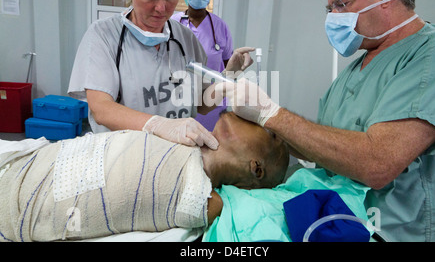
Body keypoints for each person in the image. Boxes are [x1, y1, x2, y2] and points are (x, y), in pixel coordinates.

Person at [216, 0, 435, 242]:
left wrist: (271, 114)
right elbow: (324, 147)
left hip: (397, 233)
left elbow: (377, 164)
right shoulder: (356, 69)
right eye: (331, 9)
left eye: (342, 4)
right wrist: (258, 118)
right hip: (339, 222)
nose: (334, 18)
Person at [68, 0, 253, 150]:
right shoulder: (104, 35)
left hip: (177, 157)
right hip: (122, 158)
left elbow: (201, 104)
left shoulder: (185, 39)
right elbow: (101, 109)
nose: (161, 8)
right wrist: (158, 125)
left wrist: (228, 78)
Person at [0, 112, 288, 242]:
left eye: (270, 133)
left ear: (256, 168)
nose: (258, 121)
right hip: (29, 163)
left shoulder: (203, 197)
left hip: (23, 205)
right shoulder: (180, 137)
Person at [171, 0, 234, 132]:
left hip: (212, 100)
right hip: (177, 97)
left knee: (210, 144)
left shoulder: (220, 26)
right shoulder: (172, 24)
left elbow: (228, 64)